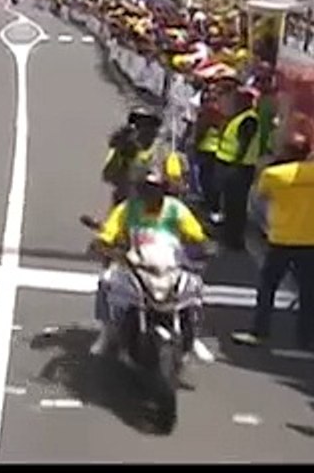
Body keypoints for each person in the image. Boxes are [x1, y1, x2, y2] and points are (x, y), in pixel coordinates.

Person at [88, 166, 210, 361]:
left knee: (195, 288)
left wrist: (201, 247)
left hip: (170, 266)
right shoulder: (127, 209)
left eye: (156, 190)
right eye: (146, 190)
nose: (151, 195)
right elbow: (109, 233)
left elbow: (196, 235)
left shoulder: (176, 209)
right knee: (106, 281)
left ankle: (193, 337)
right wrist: (103, 244)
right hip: (136, 266)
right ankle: (107, 332)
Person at [231, 133, 314, 349]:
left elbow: (260, 198)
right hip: (309, 240)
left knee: (268, 286)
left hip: (280, 238)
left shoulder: (273, 174)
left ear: (285, 151)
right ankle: (306, 338)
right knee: (308, 291)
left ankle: (260, 332)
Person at [101, 107, 184, 205]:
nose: (141, 128)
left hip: (152, 209)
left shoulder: (164, 151)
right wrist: (120, 153)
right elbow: (107, 176)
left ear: (155, 127)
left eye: (146, 123)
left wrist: (158, 182)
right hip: (124, 204)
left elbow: (176, 186)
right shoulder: (124, 147)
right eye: (137, 124)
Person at [213, 88, 261, 251]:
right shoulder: (238, 116)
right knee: (229, 203)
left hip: (238, 168)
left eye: (237, 99)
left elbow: (243, 144)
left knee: (236, 205)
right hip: (230, 165)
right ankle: (228, 235)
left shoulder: (248, 119)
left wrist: (234, 164)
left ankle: (234, 239)